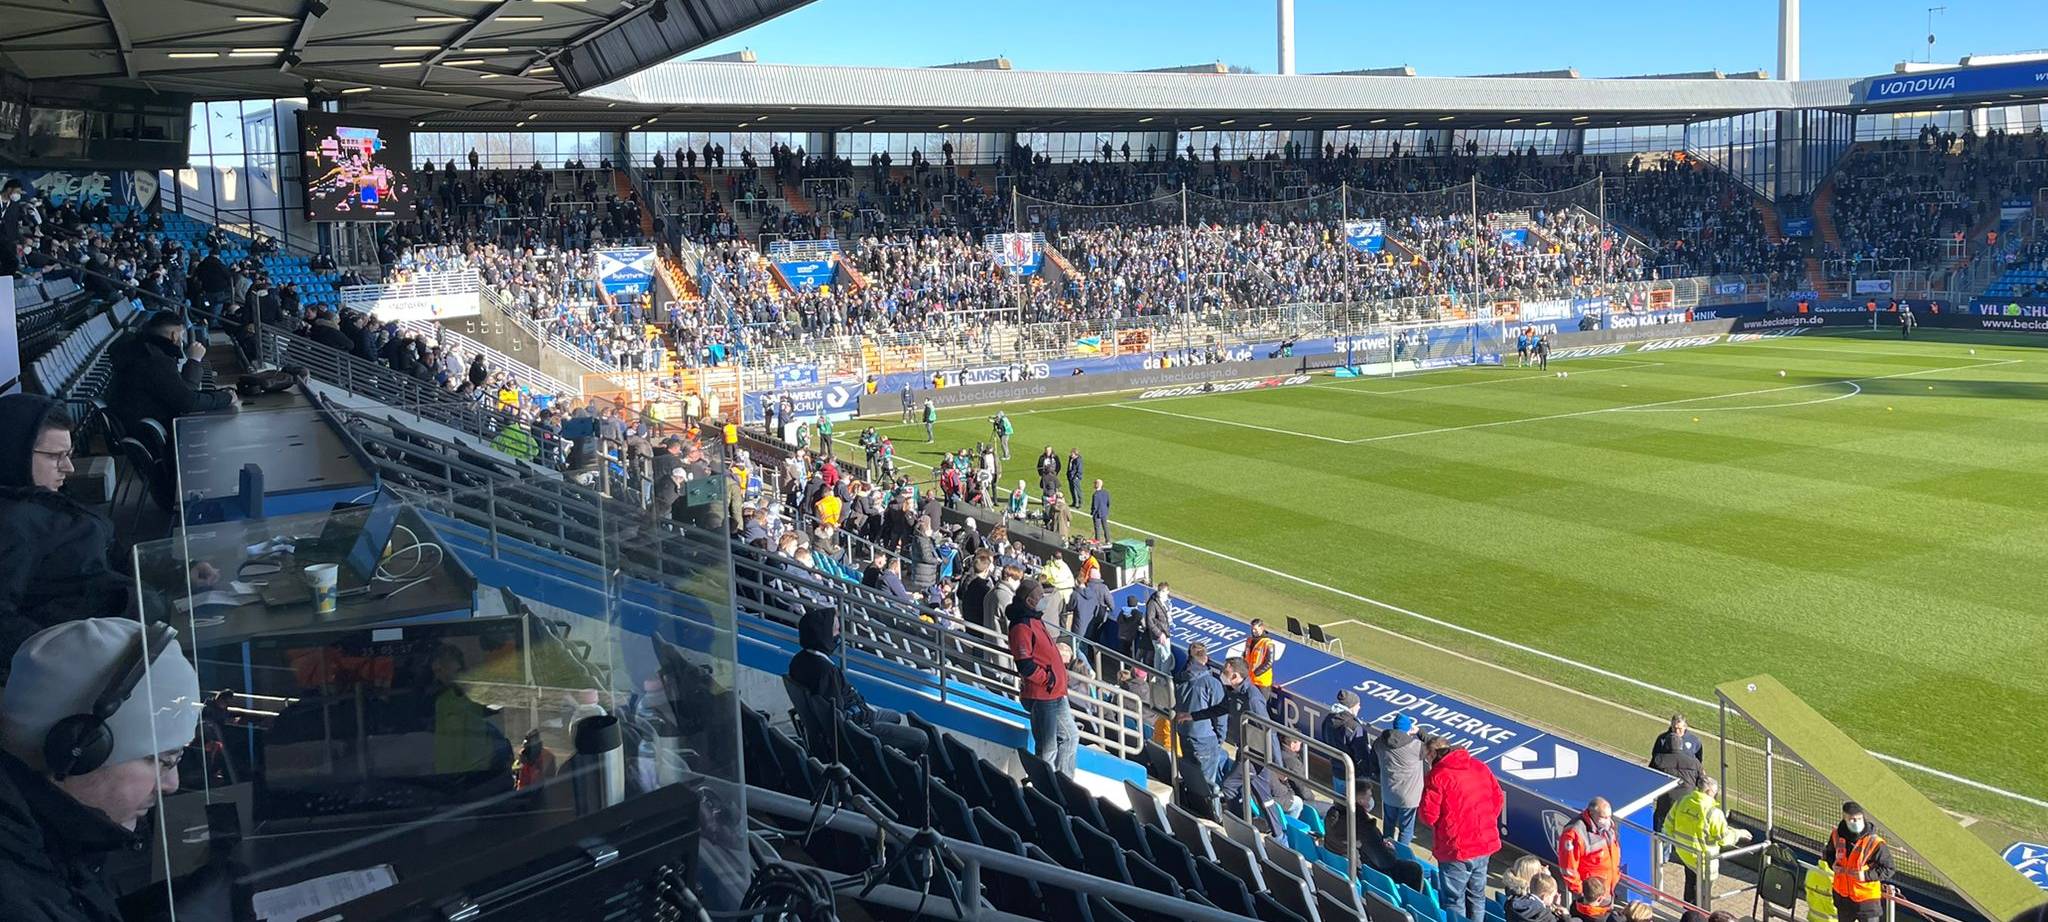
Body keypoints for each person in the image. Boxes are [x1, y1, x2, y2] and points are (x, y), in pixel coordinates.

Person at [0, 618, 202, 922]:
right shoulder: (14, 897)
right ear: (78, 750)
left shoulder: (39, 836)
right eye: (162, 760)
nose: (171, 783)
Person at [0, 398, 138, 678]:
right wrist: (71, 662)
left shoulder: (45, 498)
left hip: (130, 617)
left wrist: (175, 570)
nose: (69, 467)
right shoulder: (12, 524)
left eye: (69, 454)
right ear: (14, 452)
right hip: (106, 658)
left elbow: (109, 551)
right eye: (55, 456)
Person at [785, 608, 927, 757]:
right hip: (857, 730)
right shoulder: (826, 672)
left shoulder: (799, 660)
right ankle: (897, 767)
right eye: (836, 630)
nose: (839, 634)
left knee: (894, 716)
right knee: (920, 738)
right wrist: (865, 715)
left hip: (849, 719)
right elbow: (840, 720)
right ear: (824, 635)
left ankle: (881, 756)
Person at [106, 311, 239, 443]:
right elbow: (187, 402)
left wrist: (218, 394)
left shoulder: (138, 349)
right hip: (151, 434)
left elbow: (178, 391)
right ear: (174, 335)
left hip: (136, 425)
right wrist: (194, 360)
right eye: (181, 335)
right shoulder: (155, 360)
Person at [1419, 737, 1505, 922]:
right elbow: (1498, 798)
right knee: (1477, 895)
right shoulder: (1479, 766)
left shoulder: (1438, 775)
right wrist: (1485, 821)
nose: (1427, 760)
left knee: (1454, 899)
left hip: (1456, 849)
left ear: (1432, 754)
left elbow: (1428, 815)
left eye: (1427, 756)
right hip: (1483, 844)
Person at [1006, 579, 1075, 775]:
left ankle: (1063, 783)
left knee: (1070, 737)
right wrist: (1048, 679)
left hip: (1055, 692)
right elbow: (1025, 665)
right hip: (1043, 695)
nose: (1044, 599)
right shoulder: (1021, 626)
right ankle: (1045, 785)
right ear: (1029, 601)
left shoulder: (1034, 619)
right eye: (1040, 596)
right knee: (1048, 748)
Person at [1664, 775, 1750, 905]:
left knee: (1690, 886)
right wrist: (1739, 834)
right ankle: (1698, 912)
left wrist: (1676, 843)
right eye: (1715, 792)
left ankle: (1689, 911)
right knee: (1702, 897)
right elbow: (1724, 839)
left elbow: (1668, 825)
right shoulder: (1714, 813)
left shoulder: (1683, 801)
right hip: (1704, 861)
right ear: (1709, 791)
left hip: (1685, 854)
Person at [1821, 802, 1893, 922]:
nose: (1856, 822)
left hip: (1867, 900)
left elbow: (1889, 868)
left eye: (1859, 819)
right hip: (1842, 898)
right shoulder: (1836, 835)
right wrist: (1832, 865)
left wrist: (1865, 875)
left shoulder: (1875, 842)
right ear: (1845, 818)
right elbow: (1829, 854)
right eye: (1852, 819)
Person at [1557, 797, 1622, 904]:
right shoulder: (1575, 832)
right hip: (1591, 897)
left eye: (1609, 817)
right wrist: (1582, 893)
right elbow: (1568, 867)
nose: (1608, 820)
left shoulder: (1608, 827)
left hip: (1608, 891)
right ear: (1592, 813)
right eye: (1604, 817)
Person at [1374, 712, 1426, 844]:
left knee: (1388, 825)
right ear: (1409, 728)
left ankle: (1386, 850)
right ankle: (1402, 853)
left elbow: (1373, 762)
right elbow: (1436, 746)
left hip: (1389, 793)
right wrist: (1420, 732)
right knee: (1406, 829)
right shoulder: (1417, 746)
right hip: (1409, 797)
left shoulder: (1380, 742)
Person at [1502, 857, 1566, 922]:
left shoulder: (1512, 895)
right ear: (1532, 875)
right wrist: (1546, 880)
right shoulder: (1539, 910)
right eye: (1540, 869)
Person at [1142, 583, 1175, 674]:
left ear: (1168, 591)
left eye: (1163, 591)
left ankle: (1157, 676)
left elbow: (1166, 616)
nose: (1161, 593)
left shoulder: (1164, 601)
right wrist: (1160, 634)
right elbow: (1150, 621)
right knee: (1166, 657)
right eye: (1160, 590)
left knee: (1159, 655)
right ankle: (1164, 678)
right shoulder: (1153, 603)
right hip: (1159, 635)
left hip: (1163, 632)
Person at [1243, 618, 1280, 691]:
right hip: (1249, 679)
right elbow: (1245, 655)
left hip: (1261, 682)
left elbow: (1269, 662)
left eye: (1255, 629)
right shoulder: (1249, 640)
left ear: (1262, 628)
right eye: (1252, 629)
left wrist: (1256, 673)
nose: (1253, 631)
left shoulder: (1268, 643)